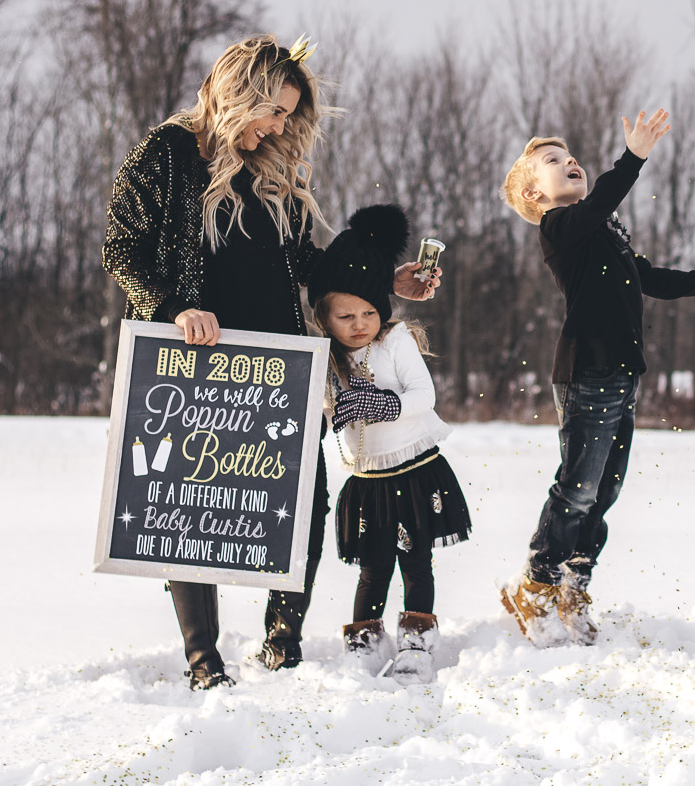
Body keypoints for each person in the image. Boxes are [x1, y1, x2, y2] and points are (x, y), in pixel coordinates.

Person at [103, 35, 441, 688]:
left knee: (300, 498)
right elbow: (121, 246)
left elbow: (307, 264)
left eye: (289, 115)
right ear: (239, 94)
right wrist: (173, 306)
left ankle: (282, 642)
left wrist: (378, 282)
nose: (280, 125)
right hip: (194, 361)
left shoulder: (273, 169)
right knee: (190, 504)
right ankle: (204, 662)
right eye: (274, 110)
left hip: (279, 364)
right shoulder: (168, 153)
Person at [495, 109, 695, 644]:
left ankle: (573, 585)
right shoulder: (562, 229)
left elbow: (652, 280)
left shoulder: (604, 232)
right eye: (553, 161)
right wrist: (634, 156)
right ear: (535, 197)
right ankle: (535, 585)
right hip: (586, 374)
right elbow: (600, 199)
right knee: (575, 488)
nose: (569, 160)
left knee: (603, 493)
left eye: (569, 154)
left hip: (622, 376)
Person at [307, 204, 471, 683]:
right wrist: (338, 408)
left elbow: (426, 395)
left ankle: (418, 641)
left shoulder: (395, 342)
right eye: (346, 316)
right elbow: (328, 415)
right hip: (369, 479)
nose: (359, 324)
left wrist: (384, 405)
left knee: (416, 561)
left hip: (416, 470)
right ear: (325, 318)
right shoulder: (327, 361)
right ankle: (365, 644)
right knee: (374, 567)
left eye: (368, 312)